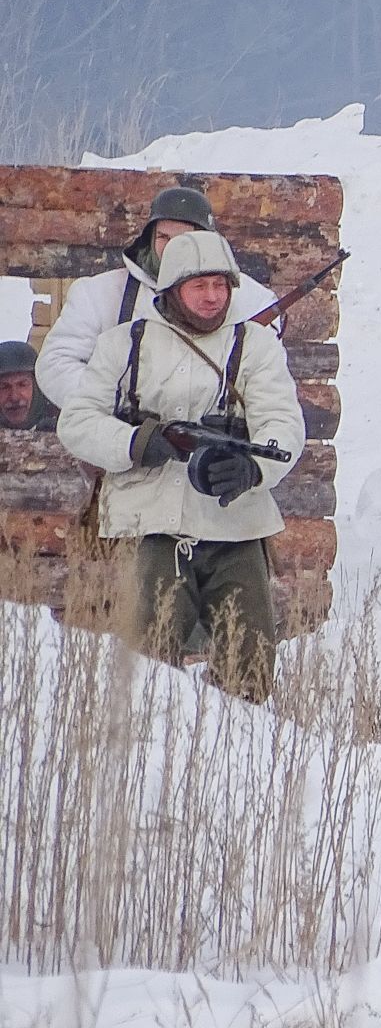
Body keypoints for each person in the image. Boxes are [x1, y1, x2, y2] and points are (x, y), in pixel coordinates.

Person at [55, 232, 306, 701]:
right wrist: (138, 442)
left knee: (251, 660)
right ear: (170, 290)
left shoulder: (255, 345)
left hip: (235, 522)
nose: (213, 296)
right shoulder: (123, 344)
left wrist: (253, 468)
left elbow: (283, 424)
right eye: (199, 286)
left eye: (220, 284)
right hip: (149, 521)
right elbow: (78, 422)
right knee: (150, 658)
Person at [36, 186, 274, 409]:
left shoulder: (253, 301)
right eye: (163, 237)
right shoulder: (99, 294)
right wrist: (115, 410)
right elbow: (56, 364)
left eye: (184, 239)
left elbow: (268, 387)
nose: (170, 248)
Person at [0, 341, 57, 431]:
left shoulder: (66, 424)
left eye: (22, 385)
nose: (14, 397)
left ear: (37, 386)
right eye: (4, 387)